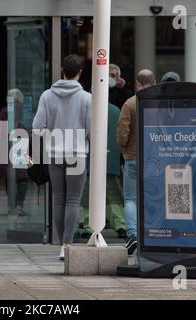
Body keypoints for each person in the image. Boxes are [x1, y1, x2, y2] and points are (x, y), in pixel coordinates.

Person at [33, 54, 91, 260]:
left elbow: (37, 127)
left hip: (55, 153)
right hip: (77, 153)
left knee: (59, 199)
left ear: (62, 71)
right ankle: (67, 244)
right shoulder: (86, 98)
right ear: (80, 72)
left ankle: (60, 245)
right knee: (73, 200)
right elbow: (92, 130)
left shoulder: (47, 96)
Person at [117, 69, 156, 255]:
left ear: (138, 84)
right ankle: (152, 231)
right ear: (154, 82)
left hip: (132, 157)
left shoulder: (129, 104)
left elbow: (122, 134)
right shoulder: (159, 104)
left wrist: (124, 148)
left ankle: (132, 234)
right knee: (152, 196)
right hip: (155, 158)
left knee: (131, 198)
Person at [80, 102, 127, 239]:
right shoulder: (116, 110)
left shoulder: (87, 109)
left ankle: (90, 227)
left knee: (89, 194)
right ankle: (120, 225)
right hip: (111, 157)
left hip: (89, 157)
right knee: (114, 195)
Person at [0, 88, 29, 216]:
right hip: (20, 146)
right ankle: (19, 204)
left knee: (10, 177)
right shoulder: (24, 110)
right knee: (23, 178)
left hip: (6, 148)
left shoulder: (4, 111)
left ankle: (12, 206)